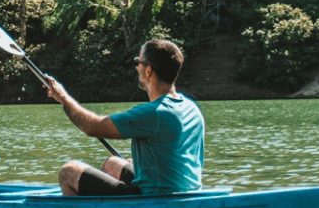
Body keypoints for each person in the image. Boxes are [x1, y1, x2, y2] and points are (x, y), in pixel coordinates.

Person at [44, 38, 204, 196]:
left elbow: (92, 127)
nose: (136, 67)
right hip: (186, 193)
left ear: (148, 71)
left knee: (69, 171)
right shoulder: (191, 108)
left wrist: (63, 98)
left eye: (138, 61)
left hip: (156, 199)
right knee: (113, 163)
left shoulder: (153, 113)